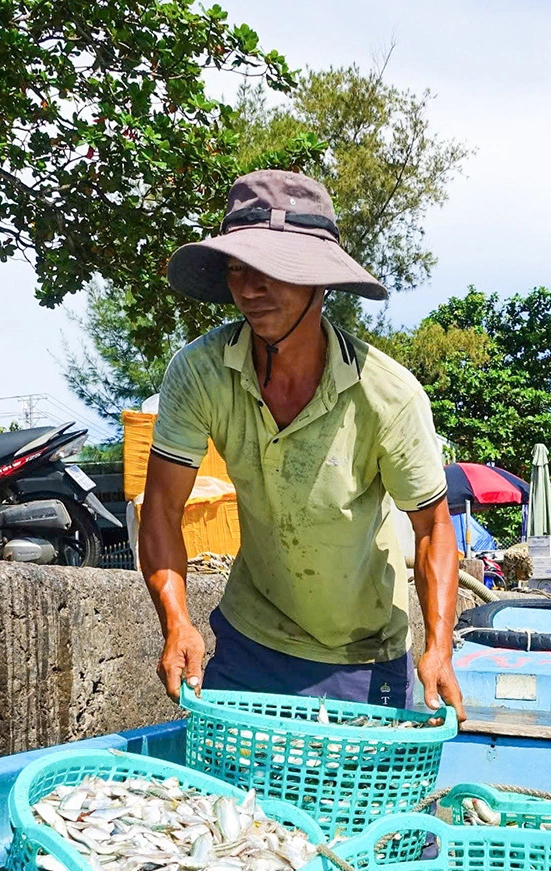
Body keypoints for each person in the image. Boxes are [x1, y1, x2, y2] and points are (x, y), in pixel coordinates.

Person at [139, 170, 463, 717]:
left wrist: (438, 647)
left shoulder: (388, 394)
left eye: (271, 270)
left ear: (320, 281)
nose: (247, 287)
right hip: (251, 636)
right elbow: (163, 509)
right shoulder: (200, 372)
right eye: (238, 268)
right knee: (232, 798)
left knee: (355, 803)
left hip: (365, 651)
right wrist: (177, 622)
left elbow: (432, 528)